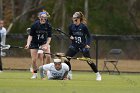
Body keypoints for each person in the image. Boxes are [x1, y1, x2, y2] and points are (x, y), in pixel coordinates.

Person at [64, 11, 101, 81]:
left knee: (89, 61)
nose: (73, 19)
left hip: (83, 46)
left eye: (74, 18)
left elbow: (89, 36)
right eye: (73, 18)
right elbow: (70, 34)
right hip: (74, 45)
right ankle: (69, 73)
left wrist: (87, 44)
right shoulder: (71, 26)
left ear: (78, 19)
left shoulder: (83, 26)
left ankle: (98, 74)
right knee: (66, 59)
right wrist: (71, 37)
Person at [25, 10, 52, 79]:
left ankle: (47, 71)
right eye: (42, 17)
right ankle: (35, 74)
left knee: (48, 56)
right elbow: (30, 36)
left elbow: (49, 37)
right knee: (34, 60)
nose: (44, 19)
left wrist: (46, 45)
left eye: (45, 17)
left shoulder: (48, 25)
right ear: (39, 17)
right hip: (34, 43)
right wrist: (28, 44)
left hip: (44, 42)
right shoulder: (34, 25)